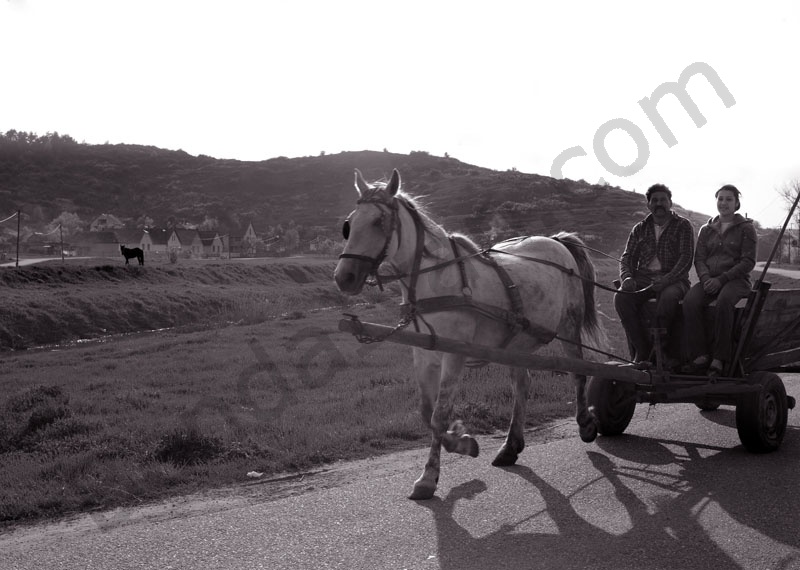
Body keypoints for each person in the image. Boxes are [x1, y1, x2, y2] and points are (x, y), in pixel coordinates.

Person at [614, 183, 695, 367]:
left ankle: (662, 353)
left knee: (667, 298)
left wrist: (666, 280)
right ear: (648, 205)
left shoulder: (683, 225)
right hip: (644, 279)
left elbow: (685, 259)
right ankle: (642, 351)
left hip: (675, 280)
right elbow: (627, 257)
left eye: (663, 200)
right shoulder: (640, 228)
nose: (659, 204)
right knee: (621, 298)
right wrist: (626, 278)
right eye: (655, 200)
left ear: (670, 203)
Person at [682, 184, 757, 376]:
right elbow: (699, 258)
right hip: (710, 280)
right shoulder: (706, 229)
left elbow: (748, 261)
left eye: (729, 199)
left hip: (737, 281)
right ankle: (699, 355)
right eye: (720, 199)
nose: (724, 203)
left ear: (737, 203)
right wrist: (706, 278)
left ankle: (720, 358)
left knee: (724, 301)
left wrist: (722, 279)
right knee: (690, 300)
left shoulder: (746, 228)